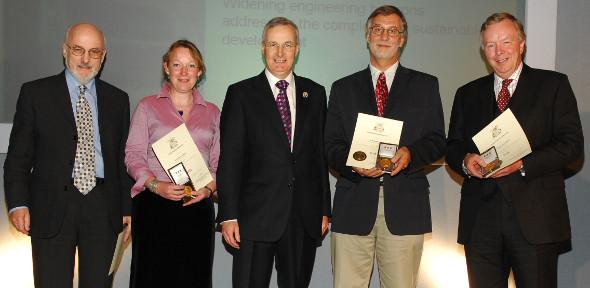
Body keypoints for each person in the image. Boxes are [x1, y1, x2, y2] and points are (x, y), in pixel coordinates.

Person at [446, 12, 584, 288]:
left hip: (535, 219)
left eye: (506, 42)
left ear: (522, 44)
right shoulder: (467, 93)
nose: (499, 51)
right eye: (491, 45)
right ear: (483, 50)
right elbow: (453, 146)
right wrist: (465, 160)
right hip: (480, 221)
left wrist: (523, 163)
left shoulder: (553, 86)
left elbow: (571, 146)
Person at [325, 5, 446, 287]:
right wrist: (353, 163)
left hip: (405, 204)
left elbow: (438, 140)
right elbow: (331, 145)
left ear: (402, 39)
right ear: (367, 35)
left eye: (393, 30)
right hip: (353, 203)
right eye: (378, 29)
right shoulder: (343, 88)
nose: (384, 35)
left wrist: (411, 154)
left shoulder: (426, 85)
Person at [3, 23, 132, 288]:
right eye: (78, 49)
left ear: (103, 56)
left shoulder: (118, 100)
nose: (85, 59)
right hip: (50, 207)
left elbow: (121, 159)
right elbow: (18, 157)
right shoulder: (35, 94)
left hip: (103, 208)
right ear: (65, 50)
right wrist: (18, 203)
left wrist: (126, 209)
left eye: (94, 52)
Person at [217, 17, 331, 288]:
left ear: (297, 49)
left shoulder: (315, 93)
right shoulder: (240, 93)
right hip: (254, 217)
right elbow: (230, 159)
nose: (280, 53)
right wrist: (229, 214)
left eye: (287, 45)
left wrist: (324, 209)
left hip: (302, 216)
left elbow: (319, 156)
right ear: (263, 48)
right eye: (273, 45)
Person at [125, 39, 219, 287]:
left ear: (199, 71)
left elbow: (219, 163)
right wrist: (156, 185)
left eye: (190, 66)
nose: (184, 72)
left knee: (194, 278)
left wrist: (208, 188)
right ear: (166, 67)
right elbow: (133, 155)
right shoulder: (147, 106)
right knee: (151, 278)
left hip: (196, 206)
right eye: (177, 65)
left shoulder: (212, 112)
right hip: (154, 205)